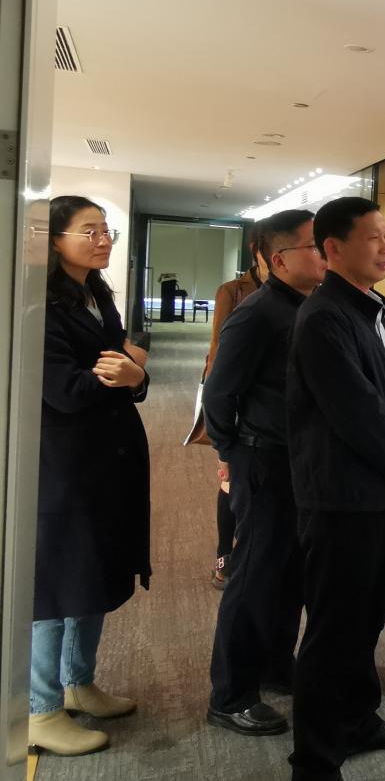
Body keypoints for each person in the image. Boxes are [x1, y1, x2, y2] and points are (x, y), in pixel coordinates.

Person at [287, 196, 385, 781]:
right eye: (373, 237)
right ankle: (316, 759)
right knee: (334, 632)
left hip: (378, 495)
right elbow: (358, 412)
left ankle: (358, 720)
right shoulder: (324, 317)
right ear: (333, 248)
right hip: (341, 500)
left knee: (366, 621)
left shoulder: (371, 309)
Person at [29, 196, 151, 756]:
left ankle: (79, 682)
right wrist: (124, 374)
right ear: (54, 240)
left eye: (107, 230)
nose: (104, 240)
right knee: (55, 585)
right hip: (64, 464)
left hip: (105, 460)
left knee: (93, 573)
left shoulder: (96, 294)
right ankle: (39, 708)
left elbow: (126, 369)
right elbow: (62, 390)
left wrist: (133, 375)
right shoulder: (41, 303)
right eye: (89, 231)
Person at [203, 210, 327, 736]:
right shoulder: (257, 314)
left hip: (299, 462)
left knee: (290, 573)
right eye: (314, 246)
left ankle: (277, 665)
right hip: (263, 461)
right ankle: (230, 695)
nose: (325, 253)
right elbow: (219, 393)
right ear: (279, 259)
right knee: (253, 575)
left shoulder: (310, 306)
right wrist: (233, 452)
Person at [193, 225, 268, 588]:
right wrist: (217, 405)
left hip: (270, 410)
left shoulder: (307, 289)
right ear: (259, 250)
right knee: (230, 480)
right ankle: (225, 552)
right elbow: (218, 350)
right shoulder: (234, 291)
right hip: (235, 400)